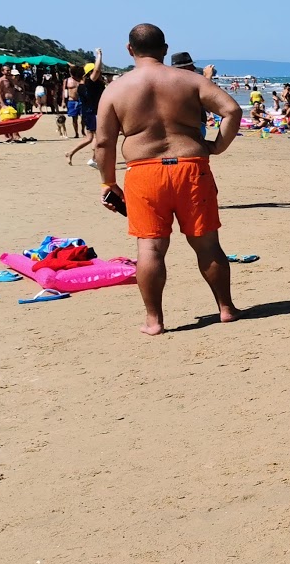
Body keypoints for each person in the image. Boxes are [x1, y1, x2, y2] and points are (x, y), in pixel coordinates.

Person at [93, 24, 242, 336]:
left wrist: (108, 183)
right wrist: (217, 146)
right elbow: (232, 110)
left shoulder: (116, 89)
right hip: (191, 167)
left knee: (150, 248)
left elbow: (104, 143)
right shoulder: (190, 80)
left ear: (130, 50)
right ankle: (226, 308)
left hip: (144, 173)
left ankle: (154, 321)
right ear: (164, 48)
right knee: (207, 244)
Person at [65, 50, 106, 164]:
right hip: (93, 113)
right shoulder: (89, 83)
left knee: (90, 138)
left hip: (88, 113)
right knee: (98, 137)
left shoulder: (84, 85)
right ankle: (94, 159)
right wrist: (99, 55)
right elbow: (97, 70)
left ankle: (70, 153)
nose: (99, 73)